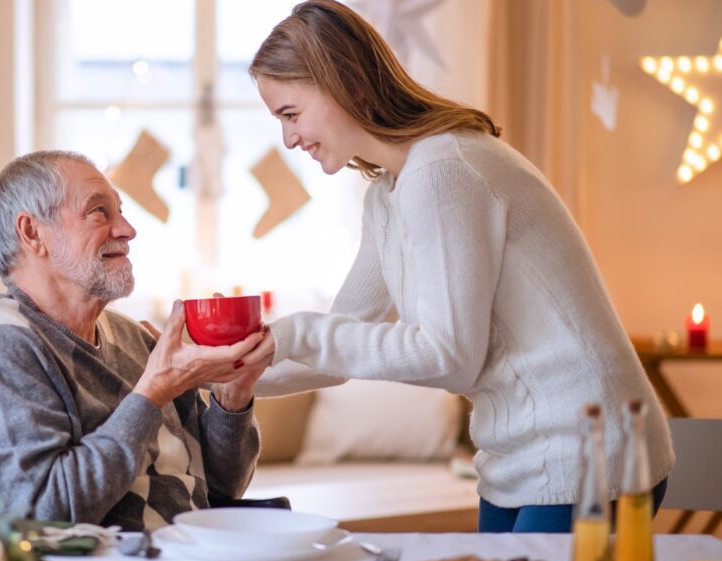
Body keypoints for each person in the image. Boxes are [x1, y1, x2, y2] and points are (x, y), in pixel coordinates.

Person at [242, 0, 673, 533]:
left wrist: (295, 332)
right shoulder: (389, 194)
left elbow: (449, 357)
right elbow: (337, 351)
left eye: (291, 114)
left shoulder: (444, 170)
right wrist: (225, 377)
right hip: (516, 459)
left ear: (346, 84)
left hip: (590, 450)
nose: (288, 138)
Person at [0, 150, 268, 532]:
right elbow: (41, 515)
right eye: (99, 212)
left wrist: (233, 396)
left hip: (197, 552)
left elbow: (222, 488)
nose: (128, 229)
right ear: (32, 233)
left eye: (121, 212)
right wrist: (152, 394)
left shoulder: (132, 337)